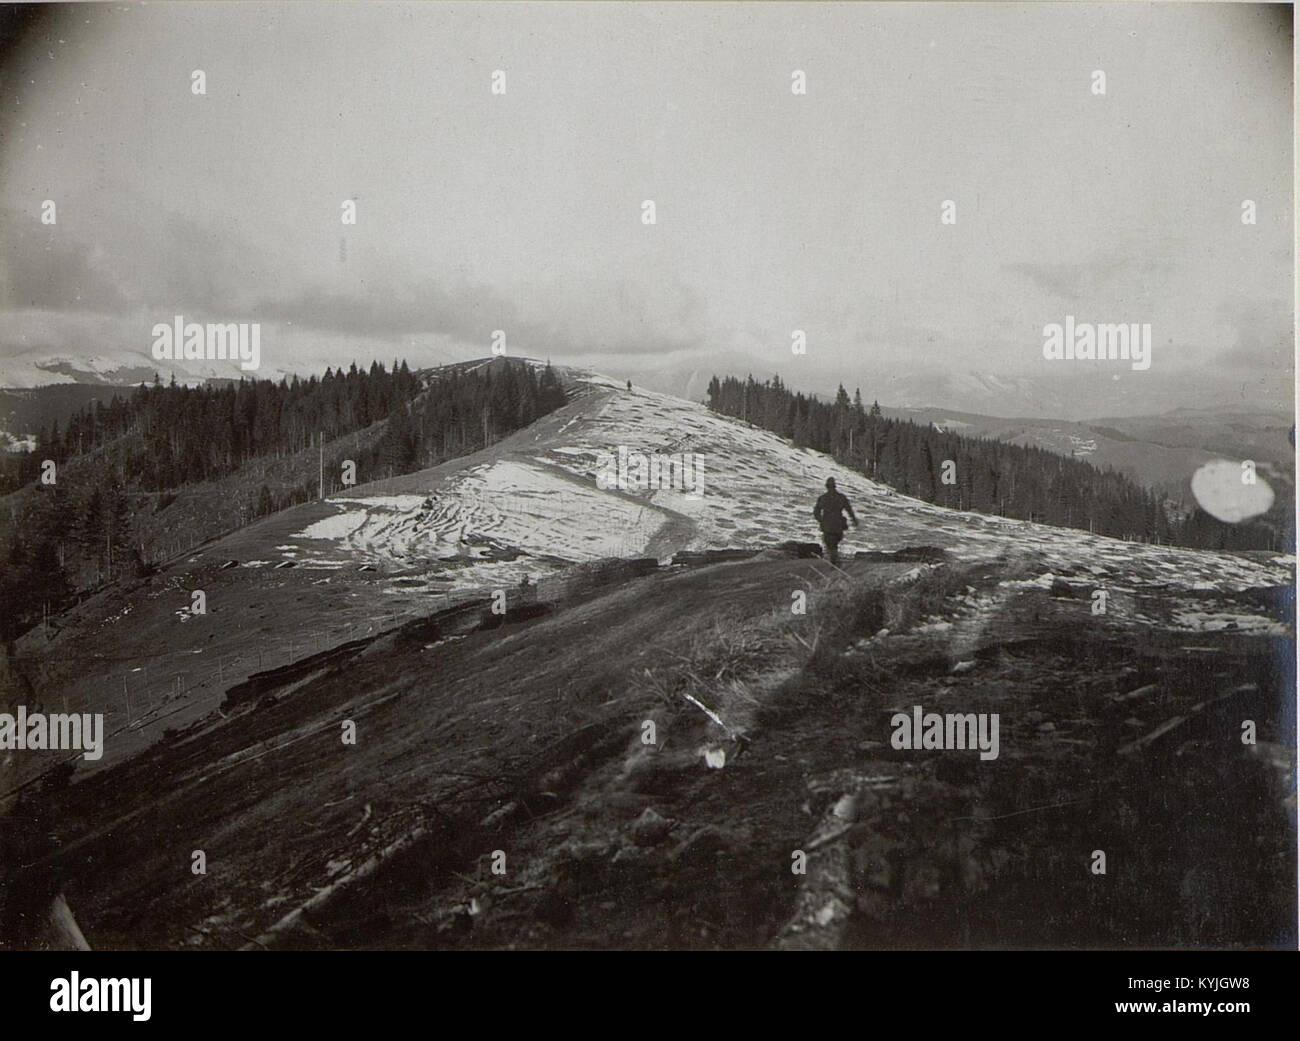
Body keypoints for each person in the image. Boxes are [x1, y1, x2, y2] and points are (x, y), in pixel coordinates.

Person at [813, 477, 858, 564]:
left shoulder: (823, 498)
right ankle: (835, 559)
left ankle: (834, 560)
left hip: (827, 525)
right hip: (838, 525)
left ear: (827, 486)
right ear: (834, 486)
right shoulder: (841, 497)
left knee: (830, 544)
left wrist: (821, 520)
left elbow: (816, 512)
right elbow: (849, 510)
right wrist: (854, 520)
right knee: (834, 543)